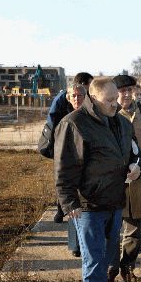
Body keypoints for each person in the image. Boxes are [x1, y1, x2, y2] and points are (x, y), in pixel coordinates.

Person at [54, 78, 141, 282]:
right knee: (93, 257)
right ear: (93, 99)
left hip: (114, 201)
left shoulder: (121, 123)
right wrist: (69, 202)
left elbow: (133, 151)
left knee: (106, 256)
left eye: (116, 98)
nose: (116, 104)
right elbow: (64, 167)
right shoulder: (74, 124)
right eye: (110, 100)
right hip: (88, 205)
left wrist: (135, 166)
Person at [108, 75, 141, 282]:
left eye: (130, 90)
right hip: (111, 186)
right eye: (122, 91)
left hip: (139, 184)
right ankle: (110, 270)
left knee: (134, 230)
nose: (127, 94)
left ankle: (128, 268)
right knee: (110, 231)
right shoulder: (106, 115)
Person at [50, 72, 94, 224]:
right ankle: (62, 210)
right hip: (67, 156)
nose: (77, 99)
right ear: (68, 98)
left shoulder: (91, 114)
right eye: (73, 96)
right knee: (68, 186)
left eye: (80, 96)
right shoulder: (66, 118)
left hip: (84, 163)